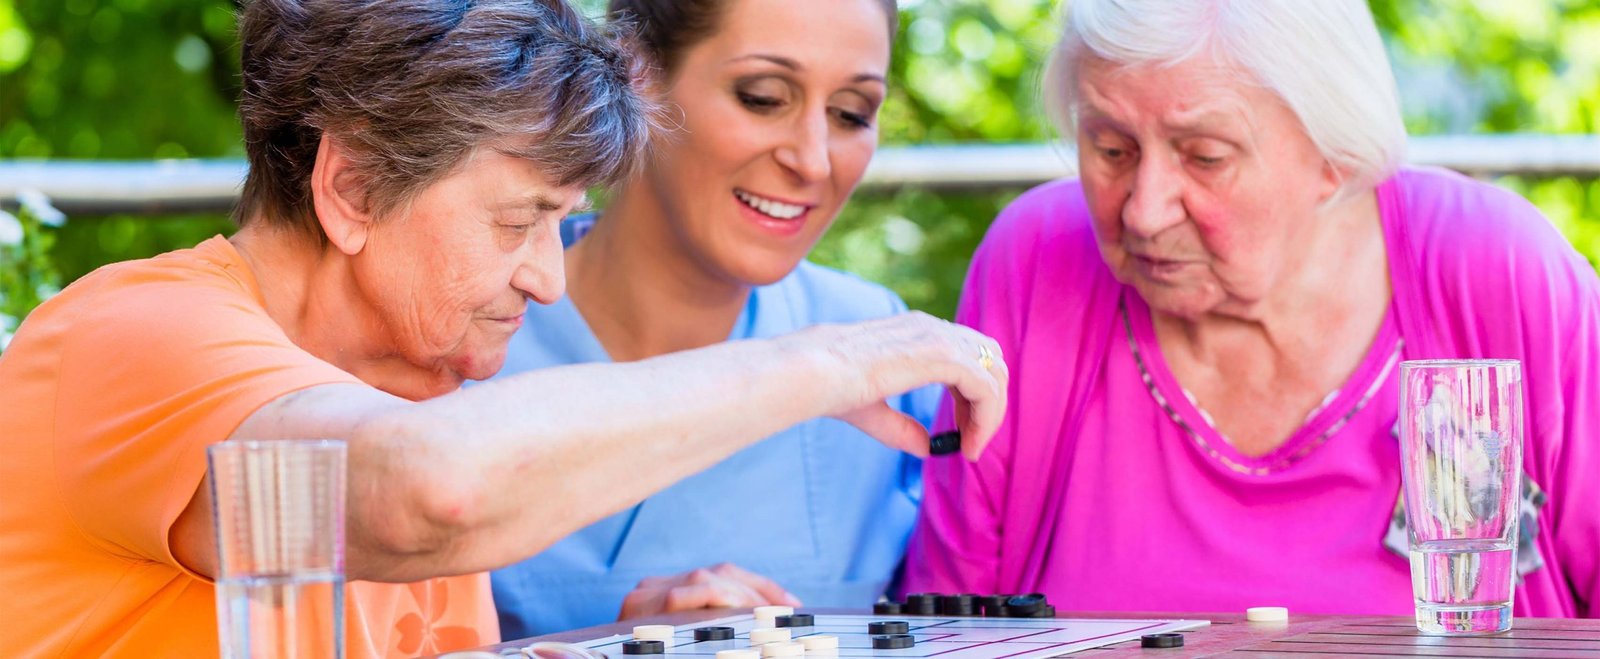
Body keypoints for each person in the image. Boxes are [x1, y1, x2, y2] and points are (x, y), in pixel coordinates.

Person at [0, 1, 1008, 657]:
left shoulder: (417, 388)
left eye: (563, 223)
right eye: (520, 219)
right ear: (351, 186)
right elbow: (419, 491)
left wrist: (611, 641)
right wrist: (827, 362)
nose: (547, 278)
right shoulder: (133, 337)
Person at [906, 0, 1598, 618]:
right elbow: (945, 620)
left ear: (1336, 156)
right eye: (1111, 148)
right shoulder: (1036, 264)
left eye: (1204, 156)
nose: (1143, 211)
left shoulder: (1494, 272)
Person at [486, 0, 930, 638]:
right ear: (635, 70)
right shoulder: (466, 336)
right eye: (763, 97)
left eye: (850, 114)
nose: (814, 161)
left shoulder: (882, 351)